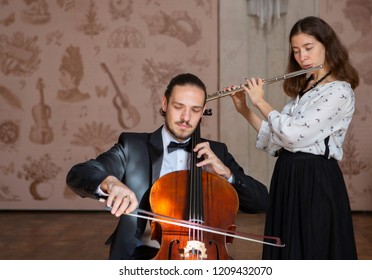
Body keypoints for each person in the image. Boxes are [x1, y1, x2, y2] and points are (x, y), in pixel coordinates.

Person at [66, 73, 270, 260]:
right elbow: (80, 173)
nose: (186, 117)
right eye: (178, 107)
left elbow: (261, 201)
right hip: (144, 256)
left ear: (202, 113)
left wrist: (227, 174)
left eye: (195, 110)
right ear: (164, 104)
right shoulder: (133, 147)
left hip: (205, 256)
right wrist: (109, 182)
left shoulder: (217, 152)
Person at [230, 16, 359, 259]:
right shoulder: (306, 89)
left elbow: (293, 134)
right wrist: (245, 109)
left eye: (308, 48)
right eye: (296, 51)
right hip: (289, 174)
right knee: (287, 250)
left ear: (327, 45)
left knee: (313, 248)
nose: (302, 57)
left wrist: (259, 101)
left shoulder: (340, 92)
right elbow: (278, 139)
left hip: (316, 179)